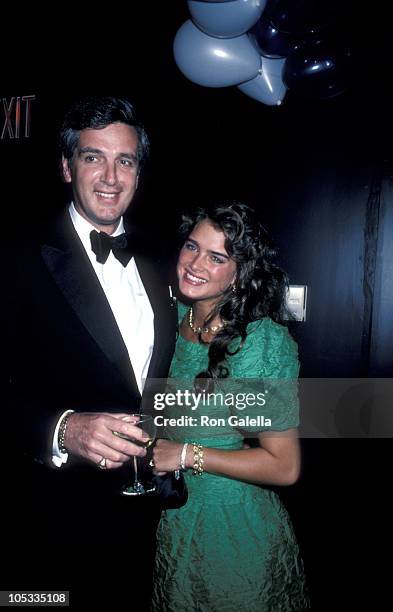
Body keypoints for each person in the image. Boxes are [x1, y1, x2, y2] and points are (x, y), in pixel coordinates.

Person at [1, 96, 177, 609]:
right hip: (50, 521)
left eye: (125, 160)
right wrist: (62, 428)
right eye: (92, 156)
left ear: (139, 174)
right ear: (65, 167)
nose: (110, 176)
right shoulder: (16, 257)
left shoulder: (163, 256)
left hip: (145, 518)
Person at [151, 202, 310, 611]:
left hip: (235, 533)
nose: (195, 263)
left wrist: (186, 454)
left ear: (240, 275)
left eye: (217, 257)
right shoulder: (172, 316)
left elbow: (284, 465)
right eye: (192, 247)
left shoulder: (257, 343)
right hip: (176, 521)